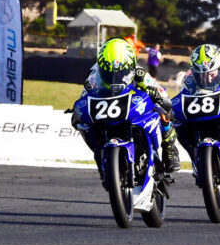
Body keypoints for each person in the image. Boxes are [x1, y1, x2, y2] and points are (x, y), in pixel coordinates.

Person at [70, 37, 181, 186]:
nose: (114, 77)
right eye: (108, 72)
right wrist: (77, 111)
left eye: (121, 72)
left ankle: (170, 149)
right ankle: (102, 162)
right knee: (85, 126)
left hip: (131, 105)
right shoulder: (93, 75)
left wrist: (158, 96)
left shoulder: (138, 72)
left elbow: (161, 93)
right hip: (106, 109)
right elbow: (84, 96)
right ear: (101, 67)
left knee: (164, 111)